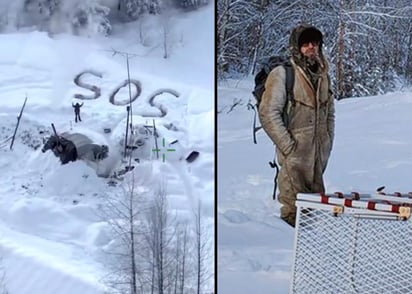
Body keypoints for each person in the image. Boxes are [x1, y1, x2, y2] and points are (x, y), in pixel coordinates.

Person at [258, 24, 335, 227]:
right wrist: (288, 146)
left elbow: (330, 112)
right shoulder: (283, 74)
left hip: (318, 155)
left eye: (315, 43)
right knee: (293, 211)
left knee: (316, 210)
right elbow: (268, 112)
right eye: (306, 43)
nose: (311, 47)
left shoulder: (322, 74)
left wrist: (328, 139)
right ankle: (286, 255)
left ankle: (313, 256)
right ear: (297, 46)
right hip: (294, 155)